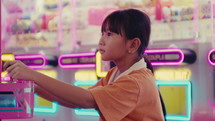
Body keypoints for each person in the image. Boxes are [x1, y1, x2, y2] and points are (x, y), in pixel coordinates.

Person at [4, 9, 165, 121]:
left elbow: (86, 100)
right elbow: (76, 99)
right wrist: (32, 86)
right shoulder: (116, 73)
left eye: (109, 34)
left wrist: (32, 74)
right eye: (102, 33)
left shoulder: (135, 83)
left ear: (133, 45)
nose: (101, 41)